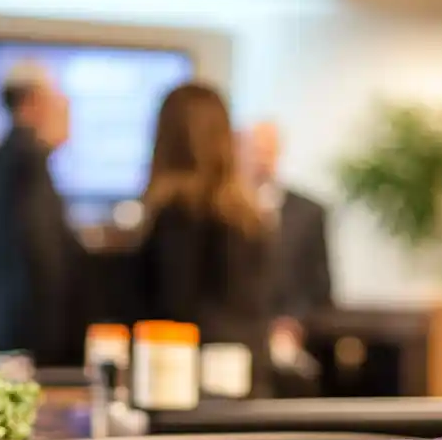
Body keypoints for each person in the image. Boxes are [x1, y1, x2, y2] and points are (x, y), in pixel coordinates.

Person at [0, 62, 92, 366]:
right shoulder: (30, 169)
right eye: (59, 105)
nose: (67, 118)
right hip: (31, 349)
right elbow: (49, 265)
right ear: (33, 104)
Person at [139, 83, 271, 395]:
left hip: (185, 383)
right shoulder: (251, 218)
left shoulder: (176, 215)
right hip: (248, 379)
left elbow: (174, 305)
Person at [242, 122, 332, 391]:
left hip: (291, 340)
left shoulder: (309, 212)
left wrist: (294, 323)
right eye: (254, 150)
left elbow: (320, 285)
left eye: (266, 150)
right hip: (237, 337)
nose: (260, 158)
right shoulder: (221, 210)